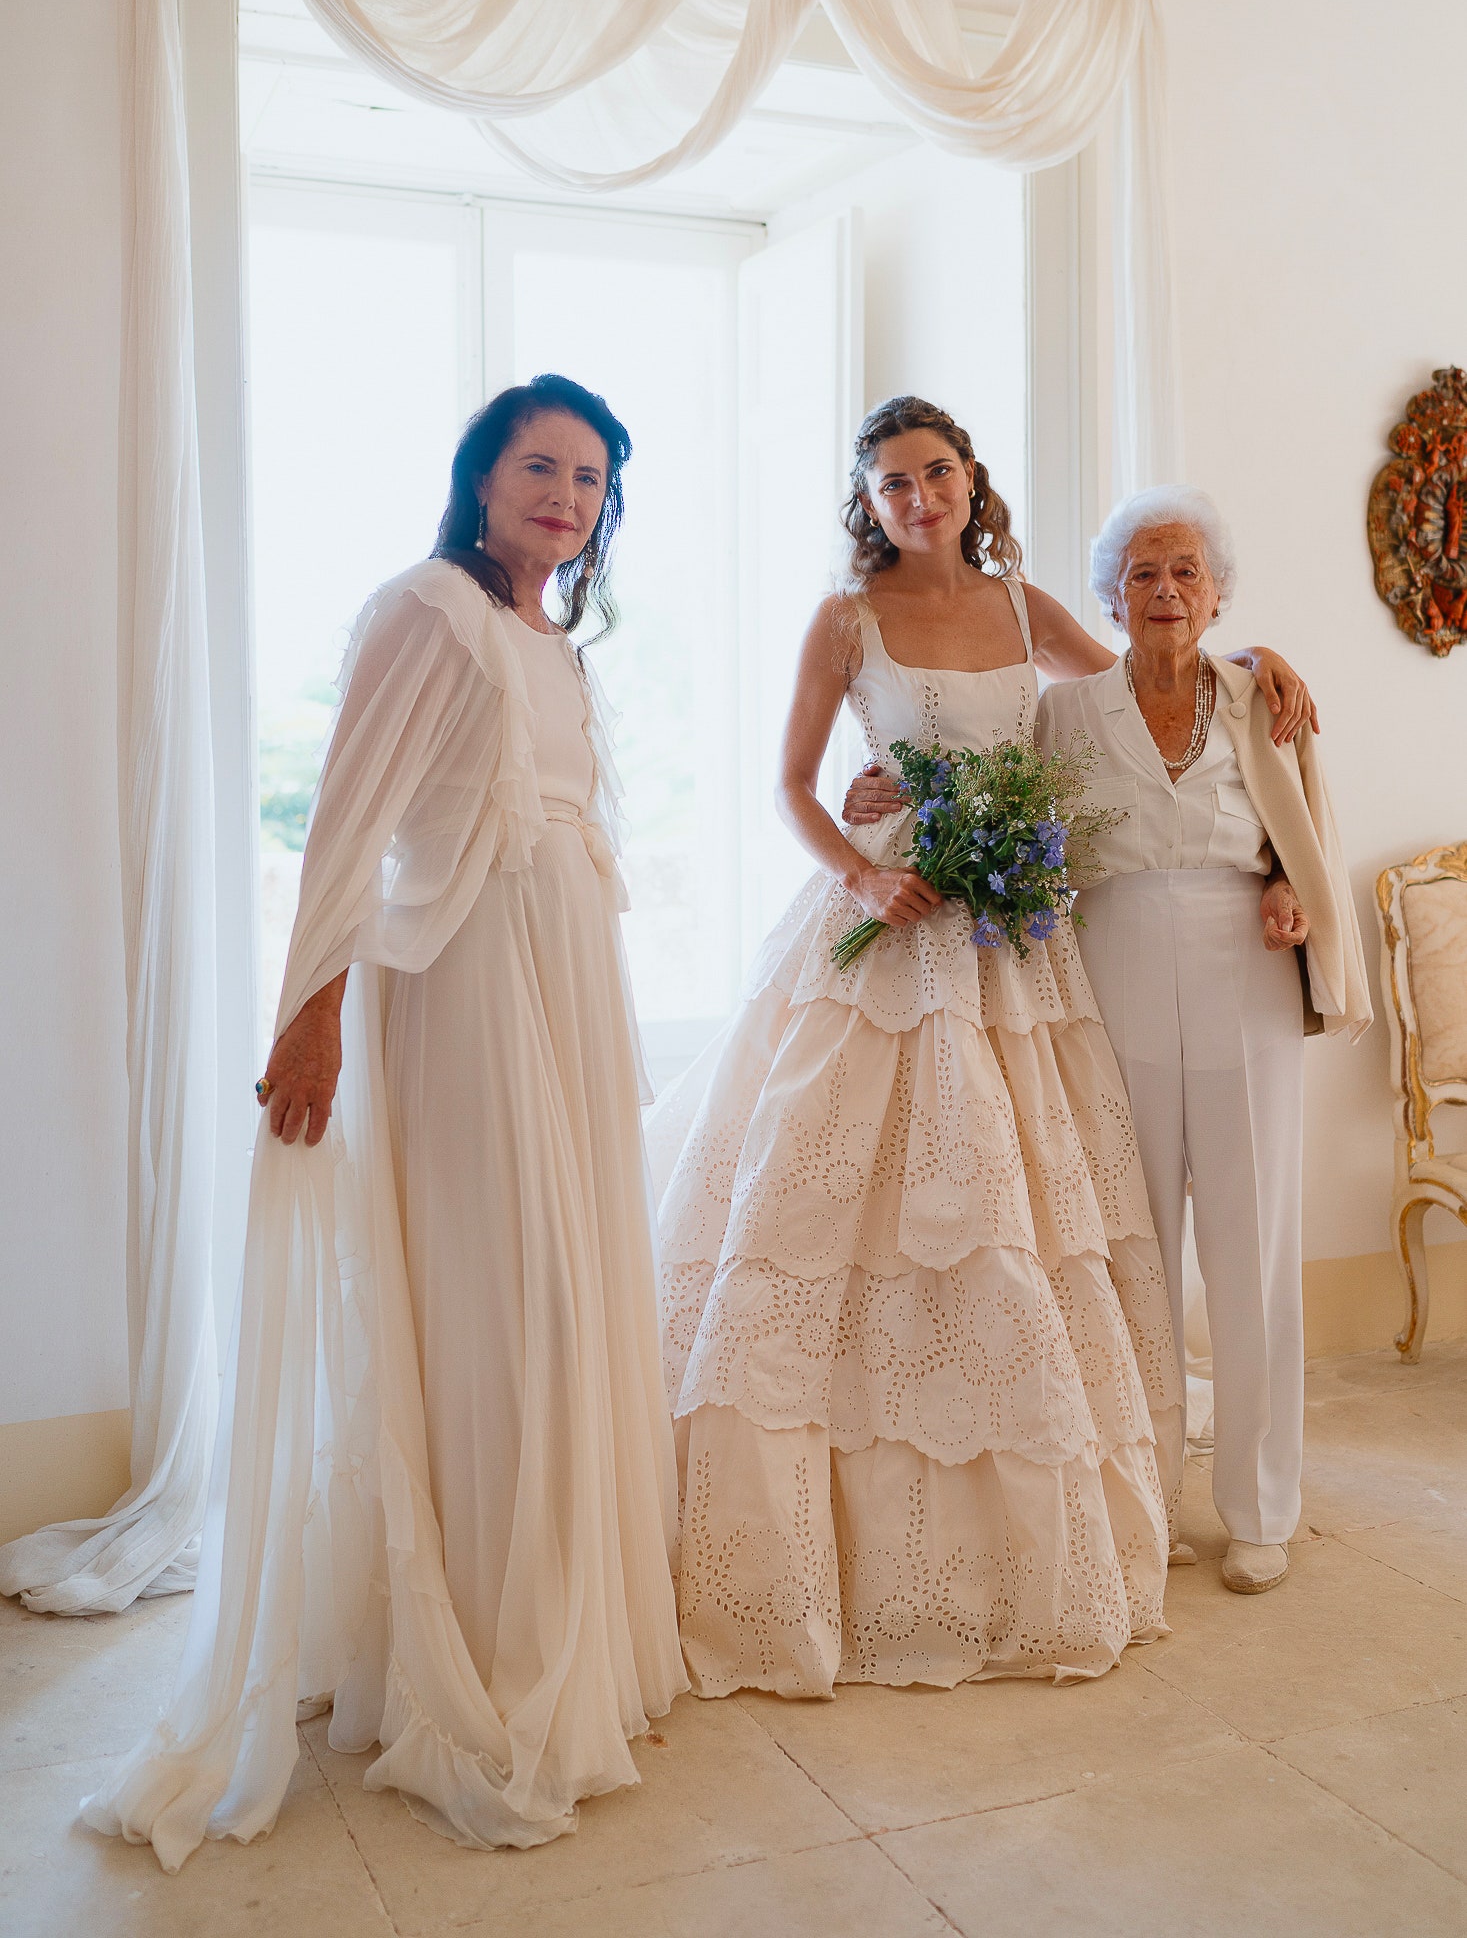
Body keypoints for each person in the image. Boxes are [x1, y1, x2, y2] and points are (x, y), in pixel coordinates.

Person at [84, 374, 685, 1871]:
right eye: (538, 467)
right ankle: (479, 1650)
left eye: (590, 478)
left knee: (565, 1294)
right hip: (464, 987)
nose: (565, 496)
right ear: (482, 479)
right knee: (503, 1301)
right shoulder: (429, 610)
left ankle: (559, 1633)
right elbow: (349, 820)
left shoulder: (554, 642)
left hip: (566, 988)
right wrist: (312, 1011)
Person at [650, 394, 1317, 1700]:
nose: (919, 497)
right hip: (895, 911)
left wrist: (1256, 660)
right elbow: (789, 784)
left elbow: (1134, 684)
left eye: (936, 472)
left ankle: (1150, 1487)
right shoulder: (844, 621)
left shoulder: (1023, 608)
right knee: (860, 1203)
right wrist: (860, 869)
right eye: (893, 483)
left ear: (970, 480)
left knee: (1028, 1205)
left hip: (1011, 932)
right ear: (868, 503)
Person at [1032, 489, 1371, 1593]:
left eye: (1185, 571)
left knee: (1252, 1237)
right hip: (1113, 961)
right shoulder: (1067, 713)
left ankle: (1262, 1506)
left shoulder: (1263, 697)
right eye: (1142, 573)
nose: (1165, 590)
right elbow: (1024, 830)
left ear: (1218, 594)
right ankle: (1146, 1501)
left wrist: (1287, 887)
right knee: (1131, 1242)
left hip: (1244, 966)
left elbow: (1303, 832)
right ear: (1111, 598)